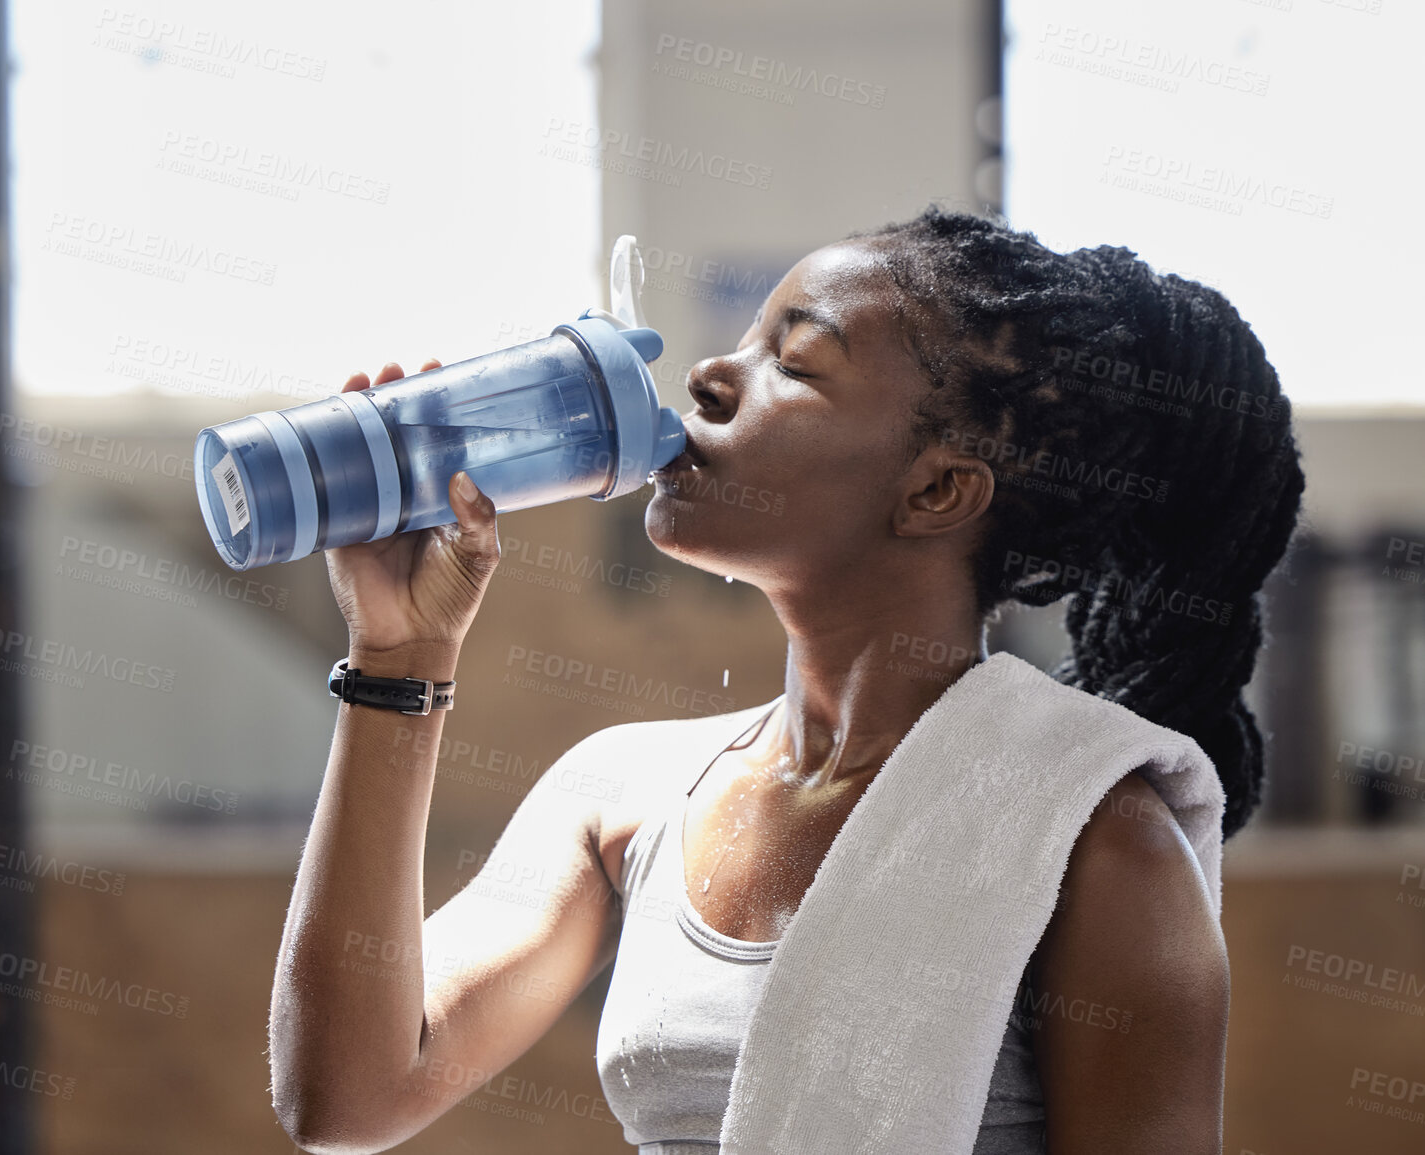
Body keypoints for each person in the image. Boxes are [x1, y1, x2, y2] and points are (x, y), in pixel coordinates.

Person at [266, 205, 1306, 1155]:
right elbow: (349, 1097)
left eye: (794, 363)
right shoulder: (625, 793)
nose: (712, 376)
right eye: (746, 339)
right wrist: (399, 656)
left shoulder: (1097, 845)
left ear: (937, 489)